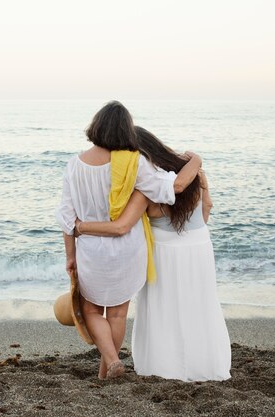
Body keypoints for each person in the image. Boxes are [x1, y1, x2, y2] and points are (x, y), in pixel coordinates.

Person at [55, 102, 202, 379]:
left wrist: (70, 256)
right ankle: (107, 370)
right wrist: (196, 161)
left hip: (92, 252)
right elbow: (174, 186)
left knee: (90, 310)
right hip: (128, 250)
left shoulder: (74, 166)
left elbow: (66, 217)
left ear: (95, 126)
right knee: (118, 315)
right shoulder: (134, 163)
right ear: (125, 130)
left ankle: (110, 362)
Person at [74, 126, 231, 382]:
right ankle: (206, 364)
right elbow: (206, 210)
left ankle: (165, 366)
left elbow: (121, 226)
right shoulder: (191, 172)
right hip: (200, 247)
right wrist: (198, 160)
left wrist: (80, 226)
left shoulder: (146, 187)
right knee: (200, 306)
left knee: (164, 310)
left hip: (164, 253)